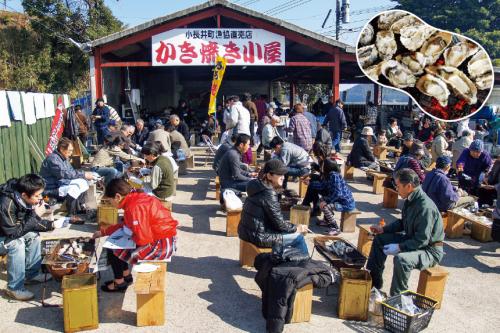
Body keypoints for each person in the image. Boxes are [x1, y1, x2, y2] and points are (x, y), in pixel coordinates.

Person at [367, 168, 444, 296]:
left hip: (430, 250)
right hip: (413, 240)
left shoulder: (425, 207)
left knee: (402, 260)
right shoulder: (411, 199)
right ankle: (373, 282)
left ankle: (397, 298)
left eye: (398, 186)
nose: (396, 189)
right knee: (380, 239)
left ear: (408, 186)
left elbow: (422, 240)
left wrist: (399, 247)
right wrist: (383, 229)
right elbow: (403, 223)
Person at [92, 179, 178, 292]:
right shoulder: (135, 198)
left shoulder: (134, 207)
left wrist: (128, 238)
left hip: (160, 246)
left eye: (110, 201)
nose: (110, 204)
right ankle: (126, 276)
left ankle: (119, 283)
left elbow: (143, 239)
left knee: (114, 250)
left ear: (117, 197)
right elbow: (126, 224)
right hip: (164, 238)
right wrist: (104, 232)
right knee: (116, 245)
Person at [0, 174, 54, 300]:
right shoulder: (5, 204)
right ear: (24, 195)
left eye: (41, 194)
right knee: (16, 244)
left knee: (33, 235)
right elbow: (13, 233)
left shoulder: (21, 197)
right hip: (5, 234)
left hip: (7, 231)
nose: (40, 198)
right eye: (37, 195)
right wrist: (36, 215)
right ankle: (14, 288)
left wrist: (51, 225)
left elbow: (28, 224)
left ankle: (32, 274)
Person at [238, 159, 309, 255]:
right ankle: (302, 267)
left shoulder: (257, 185)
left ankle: (292, 261)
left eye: (284, 174)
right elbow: (279, 224)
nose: (283, 177)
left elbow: (275, 220)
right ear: (269, 175)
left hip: (246, 231)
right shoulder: (268, 192)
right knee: (298, 238)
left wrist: (290, 226)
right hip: (259, 236)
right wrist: (297, 228)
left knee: (288, 229)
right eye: (280, 174)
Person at [39, 137, 94, 217]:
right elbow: (64, 173)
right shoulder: (53, 159)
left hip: (59, 185)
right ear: (62, 149)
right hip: (50, 190)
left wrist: (82, 176)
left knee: (83, 182)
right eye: (70, 150)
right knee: (73, 188)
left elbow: (71, 172)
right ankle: (71, 212)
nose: (71, 153)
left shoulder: (64, 158)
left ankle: (79, 207)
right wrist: (83, 174)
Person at [303, 159, 355, 235]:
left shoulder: (334, 175)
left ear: (328, 167)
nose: (321, 167)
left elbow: (338, 193)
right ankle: (327, 221)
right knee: (321, 201)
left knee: (324, 206)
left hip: (346, 203)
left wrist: (327, 201)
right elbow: (322, 186)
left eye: (323, 165)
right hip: (339, 200)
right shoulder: (328, 175)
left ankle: (335, 227)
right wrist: (310, 183)